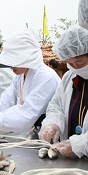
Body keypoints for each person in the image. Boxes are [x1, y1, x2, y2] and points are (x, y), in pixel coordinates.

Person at [0, 28, 61, 132]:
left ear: (28, 58)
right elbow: (7, 99)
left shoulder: (46, 77)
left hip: (48, 131)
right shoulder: (21, 76)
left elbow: (28, 111)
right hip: (34, 128)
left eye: (15, 61)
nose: (11, 67)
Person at [39, 26, 88, 158]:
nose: (75, 67)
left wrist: (83, 144)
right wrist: (53, 123)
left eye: (80, 62)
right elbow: (57, 105)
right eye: (70, 63)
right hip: (70, 158)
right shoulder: (69, 77)